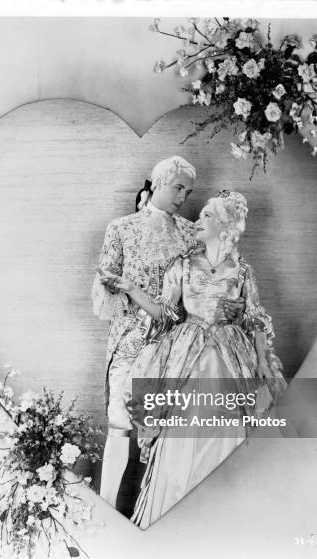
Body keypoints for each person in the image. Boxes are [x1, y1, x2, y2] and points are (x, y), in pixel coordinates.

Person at [112, 190, 286, 528]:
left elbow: (254, 318)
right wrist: (132, 289)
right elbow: (164, 312)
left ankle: (223, 518)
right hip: (186, 353)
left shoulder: (244, 271)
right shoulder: (182, 265)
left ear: (223, 226)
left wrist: (263, 361)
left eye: (205, 216)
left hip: (231, 354)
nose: (196, 221)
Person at [92, 158, 245, 509]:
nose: (183, 196)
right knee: (120, 425)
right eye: (178, 187)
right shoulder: (121, 228)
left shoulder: (191, 232)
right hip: (131, 340)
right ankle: (106, 510)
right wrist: (117, 287)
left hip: (175, 346)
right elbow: (104, 288)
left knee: (165, 432)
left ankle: (152, 510)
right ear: (158, 182)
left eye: (188, 191)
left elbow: (212, 274)